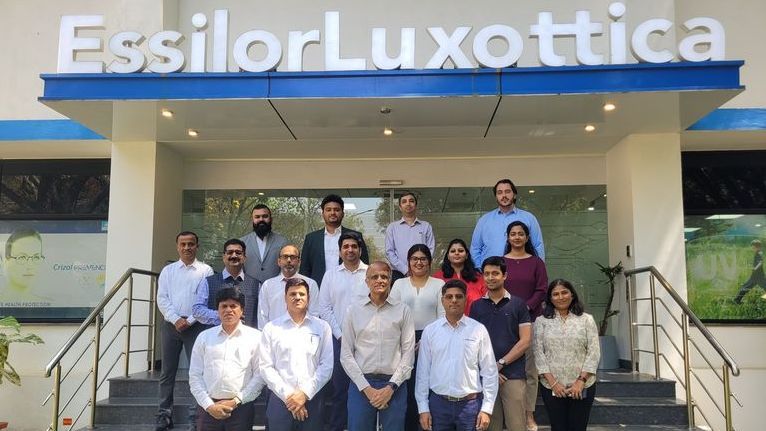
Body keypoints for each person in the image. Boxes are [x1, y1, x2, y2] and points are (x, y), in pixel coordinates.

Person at [341, 261, 416, 431]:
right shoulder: (353, 311)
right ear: (367, 281)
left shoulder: (403, 310)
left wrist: (391, 387)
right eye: (374, 277)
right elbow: (346, 355)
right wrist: (366, 388)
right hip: (361, 383)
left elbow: (408, 354)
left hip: (394, 384)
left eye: (384, 276)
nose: (379, 280)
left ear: (390, 280)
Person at [415, 279, 498, 431]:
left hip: (470, 407)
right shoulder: (430, 331)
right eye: (449, 297)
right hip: (438, 405)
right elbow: (422, 373)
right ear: (442, 301)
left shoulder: (478, 330)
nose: (454, 300)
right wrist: (423, 408)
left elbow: (489, 372)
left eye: (459, 296)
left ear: (466, 300)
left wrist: (486, 409)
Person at [155, 231, 214, 431]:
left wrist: (188, 320)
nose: (187, 247)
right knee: (167, 372)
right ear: (177, 246)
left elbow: (206, 299)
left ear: (197, 246)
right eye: (183, 244)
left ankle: (194, 417)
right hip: (170, 326)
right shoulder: (168, 271)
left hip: (196, 326)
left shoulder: (206, 271)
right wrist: (176, 319)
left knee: (197, 372)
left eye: (191, 244)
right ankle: (164, 415)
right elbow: (162, 298)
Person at [259, 278, 333, 431]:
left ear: (308, 298)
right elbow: (266, 367)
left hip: (312, 399)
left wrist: (304, 394)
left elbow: (326, 366)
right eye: (292, 294)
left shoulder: (322, 327)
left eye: (302, 294)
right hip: (280, 400)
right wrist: (290, 396)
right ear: (285, 298)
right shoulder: (271, 328)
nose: (297, 297)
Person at [189, 287, 265, 431]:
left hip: (241, 409)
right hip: (208, 409)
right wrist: (209, 405)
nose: (228, 310)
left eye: (233, 306)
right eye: (224, 306)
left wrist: (236, 401)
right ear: (217, 310)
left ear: (242, 310)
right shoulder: (204, 337)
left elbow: (259, 375)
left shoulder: (255, 338)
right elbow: (195, 375)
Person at [470, 256, 531, 431]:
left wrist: (500, 364)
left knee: (517, 426)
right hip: (485, 377)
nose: (490, 277)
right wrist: (490, 370)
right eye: (487, 274)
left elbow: (525, 340)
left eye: (495, 273)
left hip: (513, 375)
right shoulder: (476, 306)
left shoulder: (518, 304)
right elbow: (473, 344)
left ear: (504, 275)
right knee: (490, 426)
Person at [317, 232, 370, 431]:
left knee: (364, 387)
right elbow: (324, 309)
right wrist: (340, 335)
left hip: (367, 341)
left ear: (360, 250)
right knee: (339, 390)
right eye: (345, 246)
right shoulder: (330, 275)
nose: (350, 250)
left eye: (354, 246)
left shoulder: (370, 273)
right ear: (340, 251)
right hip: (338, 340)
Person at [389, 244, 445, 431]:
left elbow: (442, 317)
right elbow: (393, 314)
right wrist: (405, 342)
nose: (419, 262)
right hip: (403, 340)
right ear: (409, 262)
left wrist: (426, 341)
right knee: (406, 388)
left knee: (427, 387)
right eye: (414, 259)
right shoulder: (399, 284)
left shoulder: (439, 284)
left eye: (423, 259)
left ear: (429, 262)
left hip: (431, 340)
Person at [534, 279, 600, 431]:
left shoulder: (586, 319)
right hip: (551, 386)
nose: (561, 297)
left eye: (564, 292)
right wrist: (554, 384)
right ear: (550, 298)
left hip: (583, 385)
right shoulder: (541, 321)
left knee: (578, 427)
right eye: (555, 294)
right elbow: (538, 352)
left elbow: (594, 352)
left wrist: (581, 381)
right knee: (558, 427)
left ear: (572, 295)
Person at [503, 220, 548, 430]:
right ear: (508, 237)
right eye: (513, 234)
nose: (517, 237)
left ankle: (529, 415)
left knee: (530, 370)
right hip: (505, 320)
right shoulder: (501, 262)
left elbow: (542, 289)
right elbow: (496, 287)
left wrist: (524, 308)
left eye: (521, 234)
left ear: (527, 237)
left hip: (530, 320)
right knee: (506, 363)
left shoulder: (537, 263)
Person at [470, 179, 545, 268]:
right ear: (496, 197)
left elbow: (538, 246)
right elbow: (475, 248)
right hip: (490, 272)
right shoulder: (484, 220)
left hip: (521, 270)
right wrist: (480, 269)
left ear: (514, 195)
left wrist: (538, 268)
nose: (504, 195)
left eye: (507, 191)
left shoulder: (529, 218)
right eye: (500, 192)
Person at [300, 194, 369, 285]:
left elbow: (364, 265)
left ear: (343, 213)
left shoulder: (356, 236)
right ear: (323, 214)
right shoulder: (311, 238)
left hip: (350, 286)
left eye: (336, 210)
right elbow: (304, 269)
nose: (332, 213)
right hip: (319, 288)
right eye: (328, 210)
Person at [193, 239, 258, 328]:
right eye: (230, 252)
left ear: (244, 258)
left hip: (246, 335)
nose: (234, 255)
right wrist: (221, 315)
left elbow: (261, 313)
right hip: (216, 334)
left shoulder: (256, 284)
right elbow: (197, 310)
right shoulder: (208, 282)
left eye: (238, 253)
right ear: (224, 257)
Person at [257, 244, 320, 329]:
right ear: (279, 261)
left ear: (299, 262)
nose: (289, 260)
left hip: (301, 333)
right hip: (275, 334)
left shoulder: (310, 284)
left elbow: (314, 314)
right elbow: (262, 315)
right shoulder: (268, 285)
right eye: (285, 257)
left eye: (293, 257)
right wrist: (266, 334)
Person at [385, 191, 435, 280]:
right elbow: (389, 252)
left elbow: (430, 250)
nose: (408, 204)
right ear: (400, 207)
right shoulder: (392, 227)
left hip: (421, 272)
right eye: (404, 201)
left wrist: (420, 266)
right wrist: (405, 270)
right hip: (399, 274)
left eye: (411, 201)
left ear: (416, 205)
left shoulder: (426, 226)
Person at [240, 203, 288, 291]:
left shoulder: (282, 242)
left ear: (271, 219)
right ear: (252, 220)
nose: (261, 219)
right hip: (248, 291)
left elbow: (286, 268)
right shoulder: (242, 242)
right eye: (257, 217)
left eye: (265, 216)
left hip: (275, 290)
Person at [433, 238, 486, 315]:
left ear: (466, 255)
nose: (457, 253)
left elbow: (487, 301)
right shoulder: (438, 277)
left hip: (475, 320)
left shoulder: (479, 277)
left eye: (460, 251)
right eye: (453, 251)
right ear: (448, 256)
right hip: (446, 320)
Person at [1, 228, 47, 302]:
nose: (30, 266)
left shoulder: (48, 304)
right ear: (6, 262)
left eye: (36, 257)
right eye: (22, 257)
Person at [734, 239, 765, 304]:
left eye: (754, 248)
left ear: (758, 247)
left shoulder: (759, 253)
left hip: (758, 276)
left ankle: (737, 300)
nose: (753, 249)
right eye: (752, 247)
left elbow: (760, 262)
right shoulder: (758, 253)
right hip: (757, 275)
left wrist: (755, 268)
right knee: (746, 286)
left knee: (746, 287)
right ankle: (737, 300)